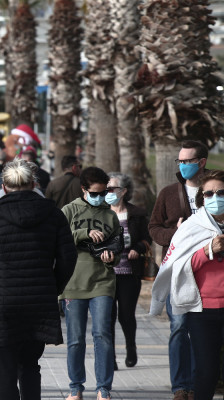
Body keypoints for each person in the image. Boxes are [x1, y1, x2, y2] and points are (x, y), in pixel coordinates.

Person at [0, 159, 77, 400]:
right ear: (34, 184)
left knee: (5, 372)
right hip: (39, 302)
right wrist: (53, 287)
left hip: (1, 303)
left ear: (3, 187)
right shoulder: (53, 214)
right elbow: (68, 257)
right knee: (30, 366)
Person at [150, 170, 224, 399]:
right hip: (202, 311)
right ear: (202, 197)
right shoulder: (192, 226)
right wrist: (207, 250)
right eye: (209, 193)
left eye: (220, 192)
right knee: (206, 372)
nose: (215, 197)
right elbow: (178, 266)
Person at [148, 140, 207, 399]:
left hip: (209, 270)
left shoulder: (215, 191)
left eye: (187, 161)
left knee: (204, 329)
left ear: (202, 162)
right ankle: (181, 386)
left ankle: (201, 383)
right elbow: (154, 228)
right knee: (179, 327)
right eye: (180, 161)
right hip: (178, 271)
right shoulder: (169, 193)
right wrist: (176, 233)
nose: (182, 166)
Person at [59, 166, 120, 400]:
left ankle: (103, 387)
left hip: (103, 281)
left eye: (104, 192)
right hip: (73, 282)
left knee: (103, 334)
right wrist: (83, 233)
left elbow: (118, 246)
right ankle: (76, 386)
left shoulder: (110, 214)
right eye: (95, 193)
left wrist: (113, 256)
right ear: (84, 190)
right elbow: (58, 239)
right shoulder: (69, 210)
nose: (100, 197)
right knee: (75, 338)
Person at [106, 172, 151, 370]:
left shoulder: (137, 214)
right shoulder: (101, 212)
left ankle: (131, 347)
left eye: (112, 189)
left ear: (123, 191)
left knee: (126, 315)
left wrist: (138, 249)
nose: (108, 193)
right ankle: (111, 356)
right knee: (107, 317)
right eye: (106, 189)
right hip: (106, 274)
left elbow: (146, 239)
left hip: (129, 273)